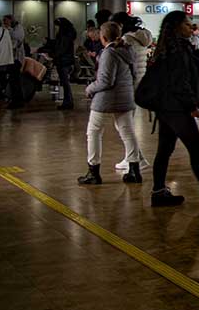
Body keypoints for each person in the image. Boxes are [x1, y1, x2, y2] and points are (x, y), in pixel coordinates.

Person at [144, 11, 199, 207]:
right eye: (186, 24)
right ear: (177, 27)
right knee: (195, 147)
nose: (190, 27)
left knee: (165, 149)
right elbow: (180, 82)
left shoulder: (168, 49)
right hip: (176, 109)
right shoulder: (177, 51)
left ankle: (158, 191)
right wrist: (191, 105)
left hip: (167, 108)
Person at [77, 21, 143, 186]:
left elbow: (106, 81)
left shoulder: (109, 53)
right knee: (127, 132)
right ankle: (134, 171)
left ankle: (93, 172)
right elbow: (134, 74)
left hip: (106, 99)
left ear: (103, 37)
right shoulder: (128, 50)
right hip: (125, 96)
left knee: (94, 132)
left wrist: (90, 88)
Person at [110, 13, 153, 171]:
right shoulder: (141, 38)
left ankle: (135, 158)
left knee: (123, 124)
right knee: (125, 124)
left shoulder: (126, 40)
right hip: (139, 83)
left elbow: (124, 64)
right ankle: (134, 157)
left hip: (128, 85)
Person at [44, 17, 78, 110]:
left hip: (63, 61)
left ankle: (68, 102)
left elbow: (61, 49)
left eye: (57, 26)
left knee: (65, 83)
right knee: (65, 83)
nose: (56, 28)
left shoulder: (64, 36)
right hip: (65, 61)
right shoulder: (67, 35)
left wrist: (52, 54)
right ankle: (67, 102)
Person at [3, 14, 26, 109]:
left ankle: (17, 101)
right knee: (13, 80)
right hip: (11, 58)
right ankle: (16, 99)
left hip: (16, 59)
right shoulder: (11, 29)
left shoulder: (18, 28)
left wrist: (8, 29)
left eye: (6, 20)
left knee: (14, 80)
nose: (4, 23)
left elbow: (17, 37)